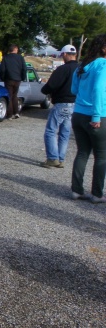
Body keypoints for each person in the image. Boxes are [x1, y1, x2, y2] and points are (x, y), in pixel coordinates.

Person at [69, 34, 106, 203]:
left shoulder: (83, 65)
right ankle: (97, 194)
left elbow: (74, 89)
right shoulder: (103, 65)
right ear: (104, 48)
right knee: (101, 156)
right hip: (97, 115)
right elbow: (98, 89)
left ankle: (76, 190)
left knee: (82, 152)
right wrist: (96, 115)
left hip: (78, 113)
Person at [40, 44, 79, 168]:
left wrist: (44, 90)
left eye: (62, 55)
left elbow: (51, 85)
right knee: (65, 133)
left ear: (65, 54)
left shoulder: (63, 69)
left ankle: (52, 158)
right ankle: (61, 158)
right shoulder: (81, 69)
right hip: (75, 104)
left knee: (50, 131)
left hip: (61, 103)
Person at [0, 44, 26, 119]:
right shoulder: (20, 58)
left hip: (8, 79)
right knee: (15, 96)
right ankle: (16, 112)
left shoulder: (6, 57)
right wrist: (22, 77)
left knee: (9, 96)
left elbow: (2, 69)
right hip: (18, 79)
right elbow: (24, 69)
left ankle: (9, 114)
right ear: (15, 49)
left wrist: (3, 78)